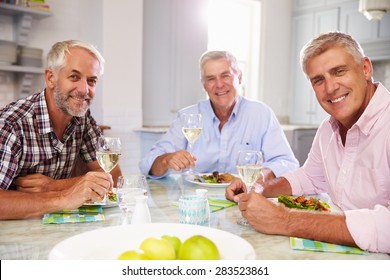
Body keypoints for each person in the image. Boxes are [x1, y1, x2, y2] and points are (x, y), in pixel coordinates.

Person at [226, 31, 390, 254]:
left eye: (339, 71)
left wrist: (286, 220)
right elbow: (309, 177)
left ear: (365, 68)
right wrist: (260, 188)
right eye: (318, 80)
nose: (330, 88)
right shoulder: (327, 129)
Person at [0, 40, 121, 220]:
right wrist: (64, 197)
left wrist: (54, 186)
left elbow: (114, 177)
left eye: (91, 81)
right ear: (50, 78)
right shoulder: (12, 125)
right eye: (74, 77)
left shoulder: (83, 119)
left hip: (56, 228)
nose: (84, 89)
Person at [139, 50, 299, 179]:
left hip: (244, 199)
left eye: (226, 75)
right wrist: (167, 159)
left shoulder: (261, 114)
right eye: (211, 79)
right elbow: (147, 164)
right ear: (204, 85)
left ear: (240, 77)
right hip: (196, 201)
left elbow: (287, 162)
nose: (219, 84)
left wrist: (260, 175)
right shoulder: (187, 116)